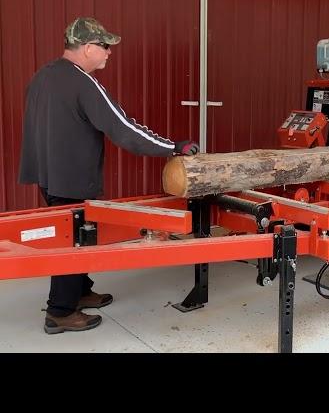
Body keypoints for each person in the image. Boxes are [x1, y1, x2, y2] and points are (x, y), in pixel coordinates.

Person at [18, 17, 200, 334]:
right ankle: (60, 312)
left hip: (48, 175)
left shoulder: (43, 76)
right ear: (88, 48)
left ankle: (80, 290)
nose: (109, 53)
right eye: (105, 46)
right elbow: (123, 128)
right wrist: (173, 146)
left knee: (80, 235)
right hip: (71, 178)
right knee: (71, 242)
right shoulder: (83, 83)